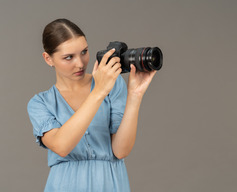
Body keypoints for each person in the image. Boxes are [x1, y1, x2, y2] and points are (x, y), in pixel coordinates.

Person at [27, 18, 157, 192]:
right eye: (68, 57)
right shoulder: (40, 103)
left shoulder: (113, 84)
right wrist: (99, 91)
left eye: (84, 52)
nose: (80, 63)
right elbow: (62, 146)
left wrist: (135, 95)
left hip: (111, 183)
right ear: (48, 58)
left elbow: (121, 150)